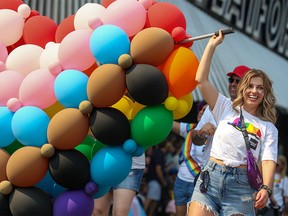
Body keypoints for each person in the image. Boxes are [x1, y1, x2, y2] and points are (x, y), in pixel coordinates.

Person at [188, 30, 278, 216]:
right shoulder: (224, 106)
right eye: (251, 86)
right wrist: (212, 46)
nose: (254, 91)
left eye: (260, 88)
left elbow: (268, 160)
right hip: (209, 179)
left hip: (241, 189)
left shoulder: (268, 127)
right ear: (243, 88)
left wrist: (266, 188)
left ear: (265, 94)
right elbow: (201, 80)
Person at [172, 65, 251, 216]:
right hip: (208, 179)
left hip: (238, 185)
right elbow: (195, 139)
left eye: (237, 80)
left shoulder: (254, 116)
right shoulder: (214, 106)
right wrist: (201, 133)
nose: (233, 83)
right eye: (231, 80)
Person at [144, 135, 173, 216]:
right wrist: (163, 181)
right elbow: (158, 169)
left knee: (154, 201)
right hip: (155, 180)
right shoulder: (159, 153)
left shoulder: (160, 153)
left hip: (156, 181)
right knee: (149, 200)